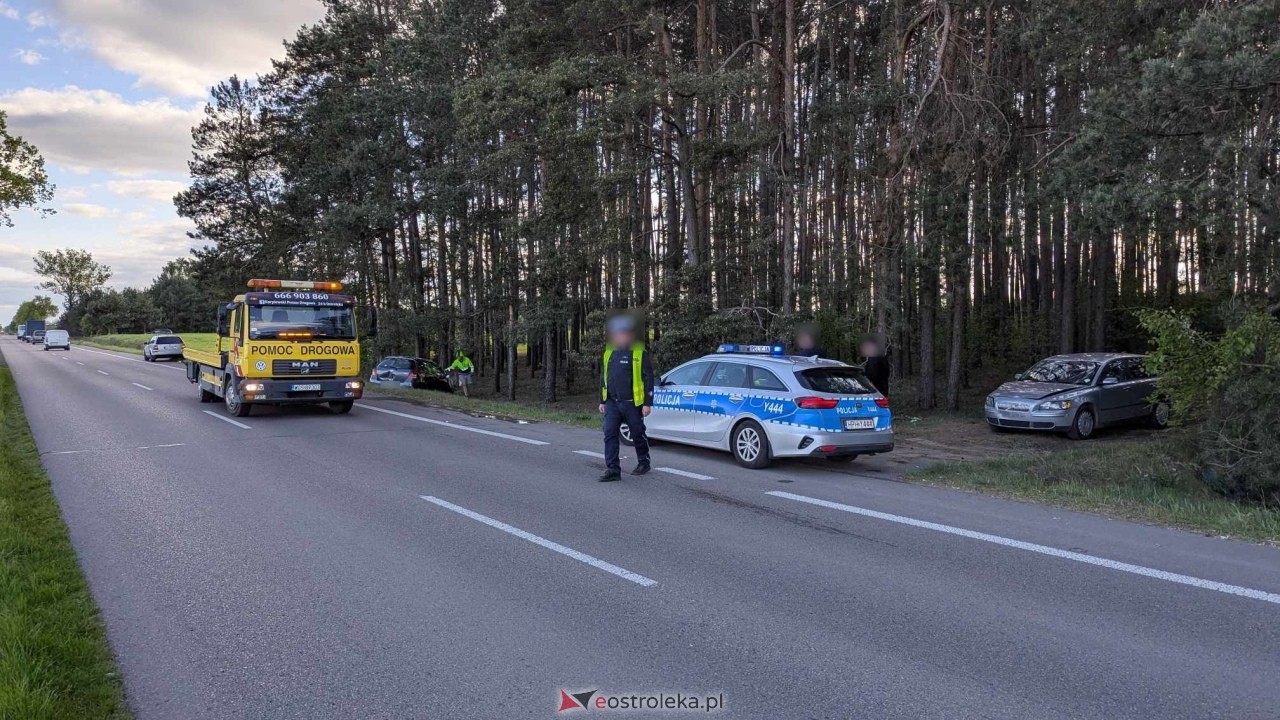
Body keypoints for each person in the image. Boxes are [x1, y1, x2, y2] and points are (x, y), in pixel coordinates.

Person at [599, 315, 654, 482]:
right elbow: (604, 377)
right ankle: (613, 469)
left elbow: (648, 378)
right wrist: (602, 400)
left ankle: (644, 462)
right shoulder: (609, 353)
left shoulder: (638, 353)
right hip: (612, 402)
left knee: (637, 434)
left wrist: (647, 403)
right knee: (609, 434)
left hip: (632, 403)